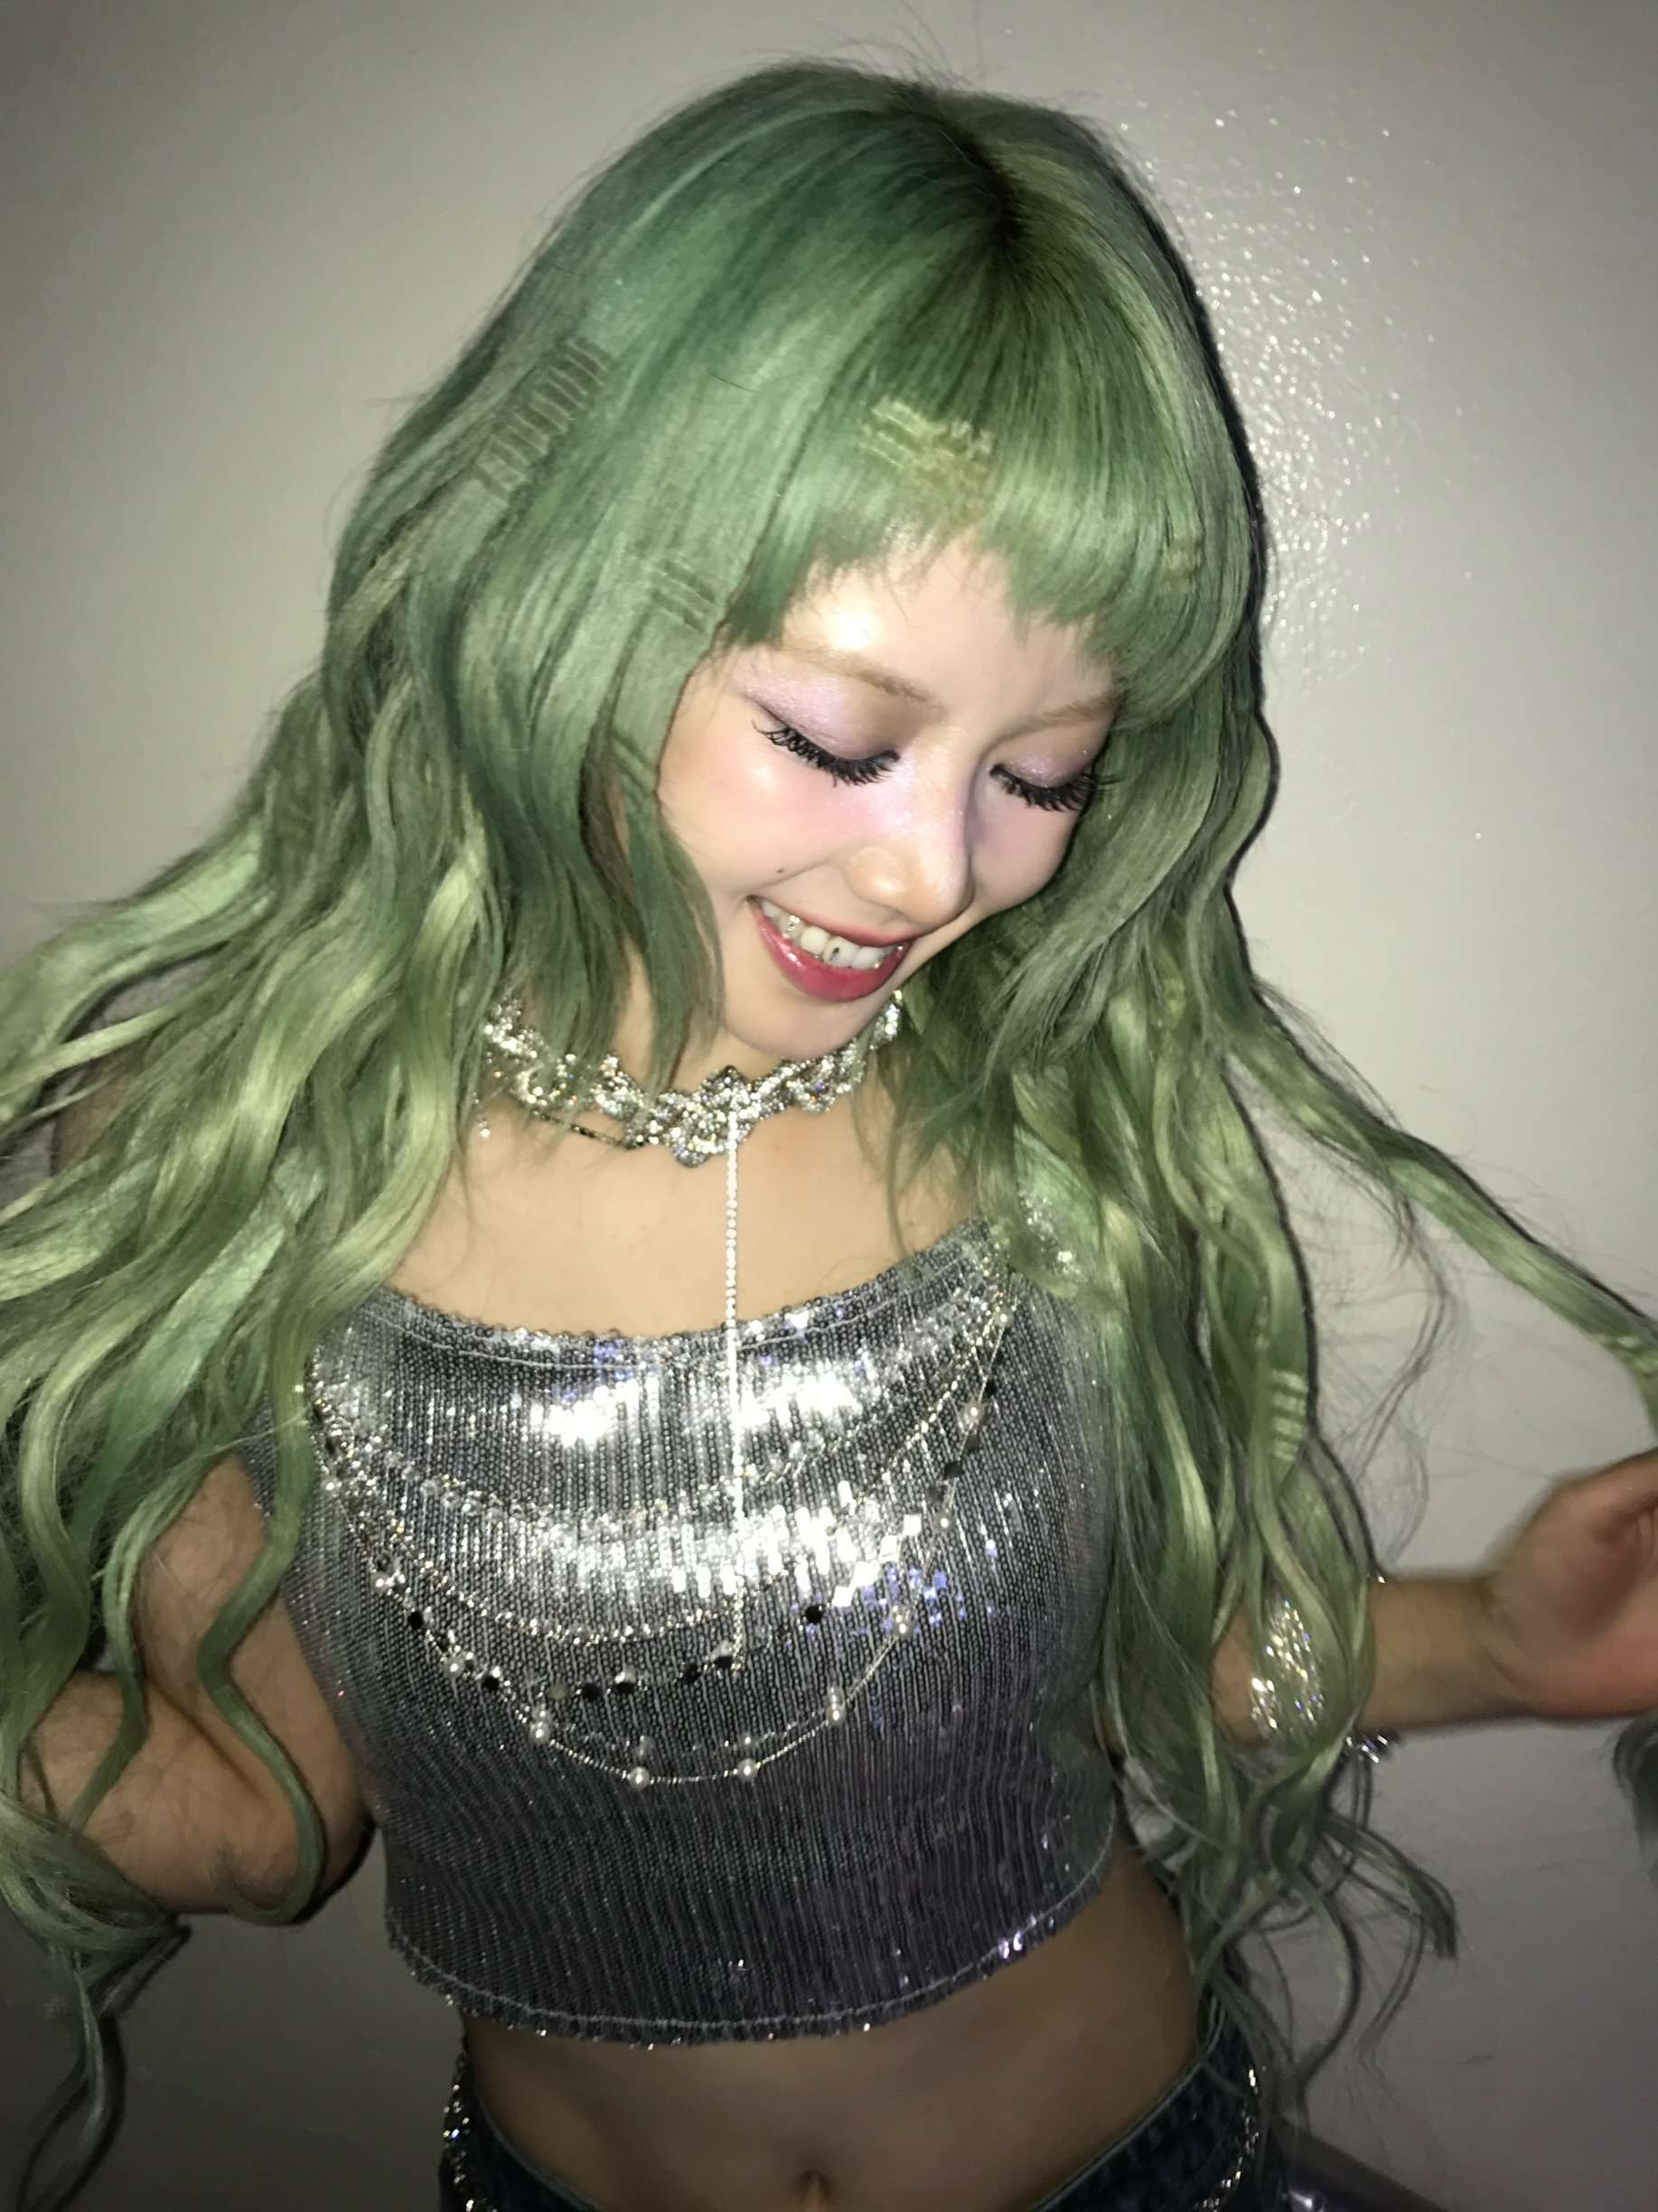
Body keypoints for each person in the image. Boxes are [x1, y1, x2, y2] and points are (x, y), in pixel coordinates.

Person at [3, 52, 1656, 2212]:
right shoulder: (237, 1150)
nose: (932, 875)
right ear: (564, 594)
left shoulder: (1040, 1115)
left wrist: (1504, 1646)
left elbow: (1154, 1661)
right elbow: (261, 1814)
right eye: (841, 736)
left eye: (1039, 775)